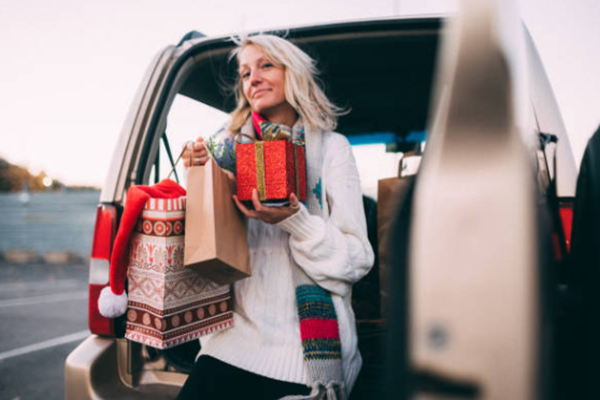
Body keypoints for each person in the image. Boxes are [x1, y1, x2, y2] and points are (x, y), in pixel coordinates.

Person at [177, 34, 375, 400]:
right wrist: (201, 177)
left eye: (266, 65)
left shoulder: (333, 150)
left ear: (294, 73)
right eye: (245, 72)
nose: (252, 78)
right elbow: (202, 248)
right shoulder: (224, 150)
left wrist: (293, 219)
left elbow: (356, 260)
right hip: (229, 345)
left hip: (305, 359)